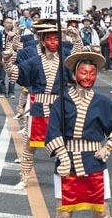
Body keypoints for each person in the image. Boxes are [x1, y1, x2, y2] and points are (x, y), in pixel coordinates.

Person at [43, 51, 112, 218]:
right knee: (63, 214)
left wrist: (107, 147)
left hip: (94, 163)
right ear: (75, 74)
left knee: (102, 212)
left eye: (92, 73)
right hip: (67, 163)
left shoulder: (101, 102)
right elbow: (52, 132)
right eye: (83, 72)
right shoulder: (62, 101)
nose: (88, 77)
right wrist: (61, 155)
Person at [15, 27, 75, 189]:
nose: (53, 42)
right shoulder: (35, 61)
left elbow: (79, 66)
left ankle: (65, 178)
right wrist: (8, 60)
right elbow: (17, 73)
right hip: (39, 107)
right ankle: (24, 178)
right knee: (30, 145)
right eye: (49, 39)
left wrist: (77, 40)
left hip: (59, 108)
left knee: (64, 146)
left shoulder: (65, 59)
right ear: (42, 41)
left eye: (56, 39)